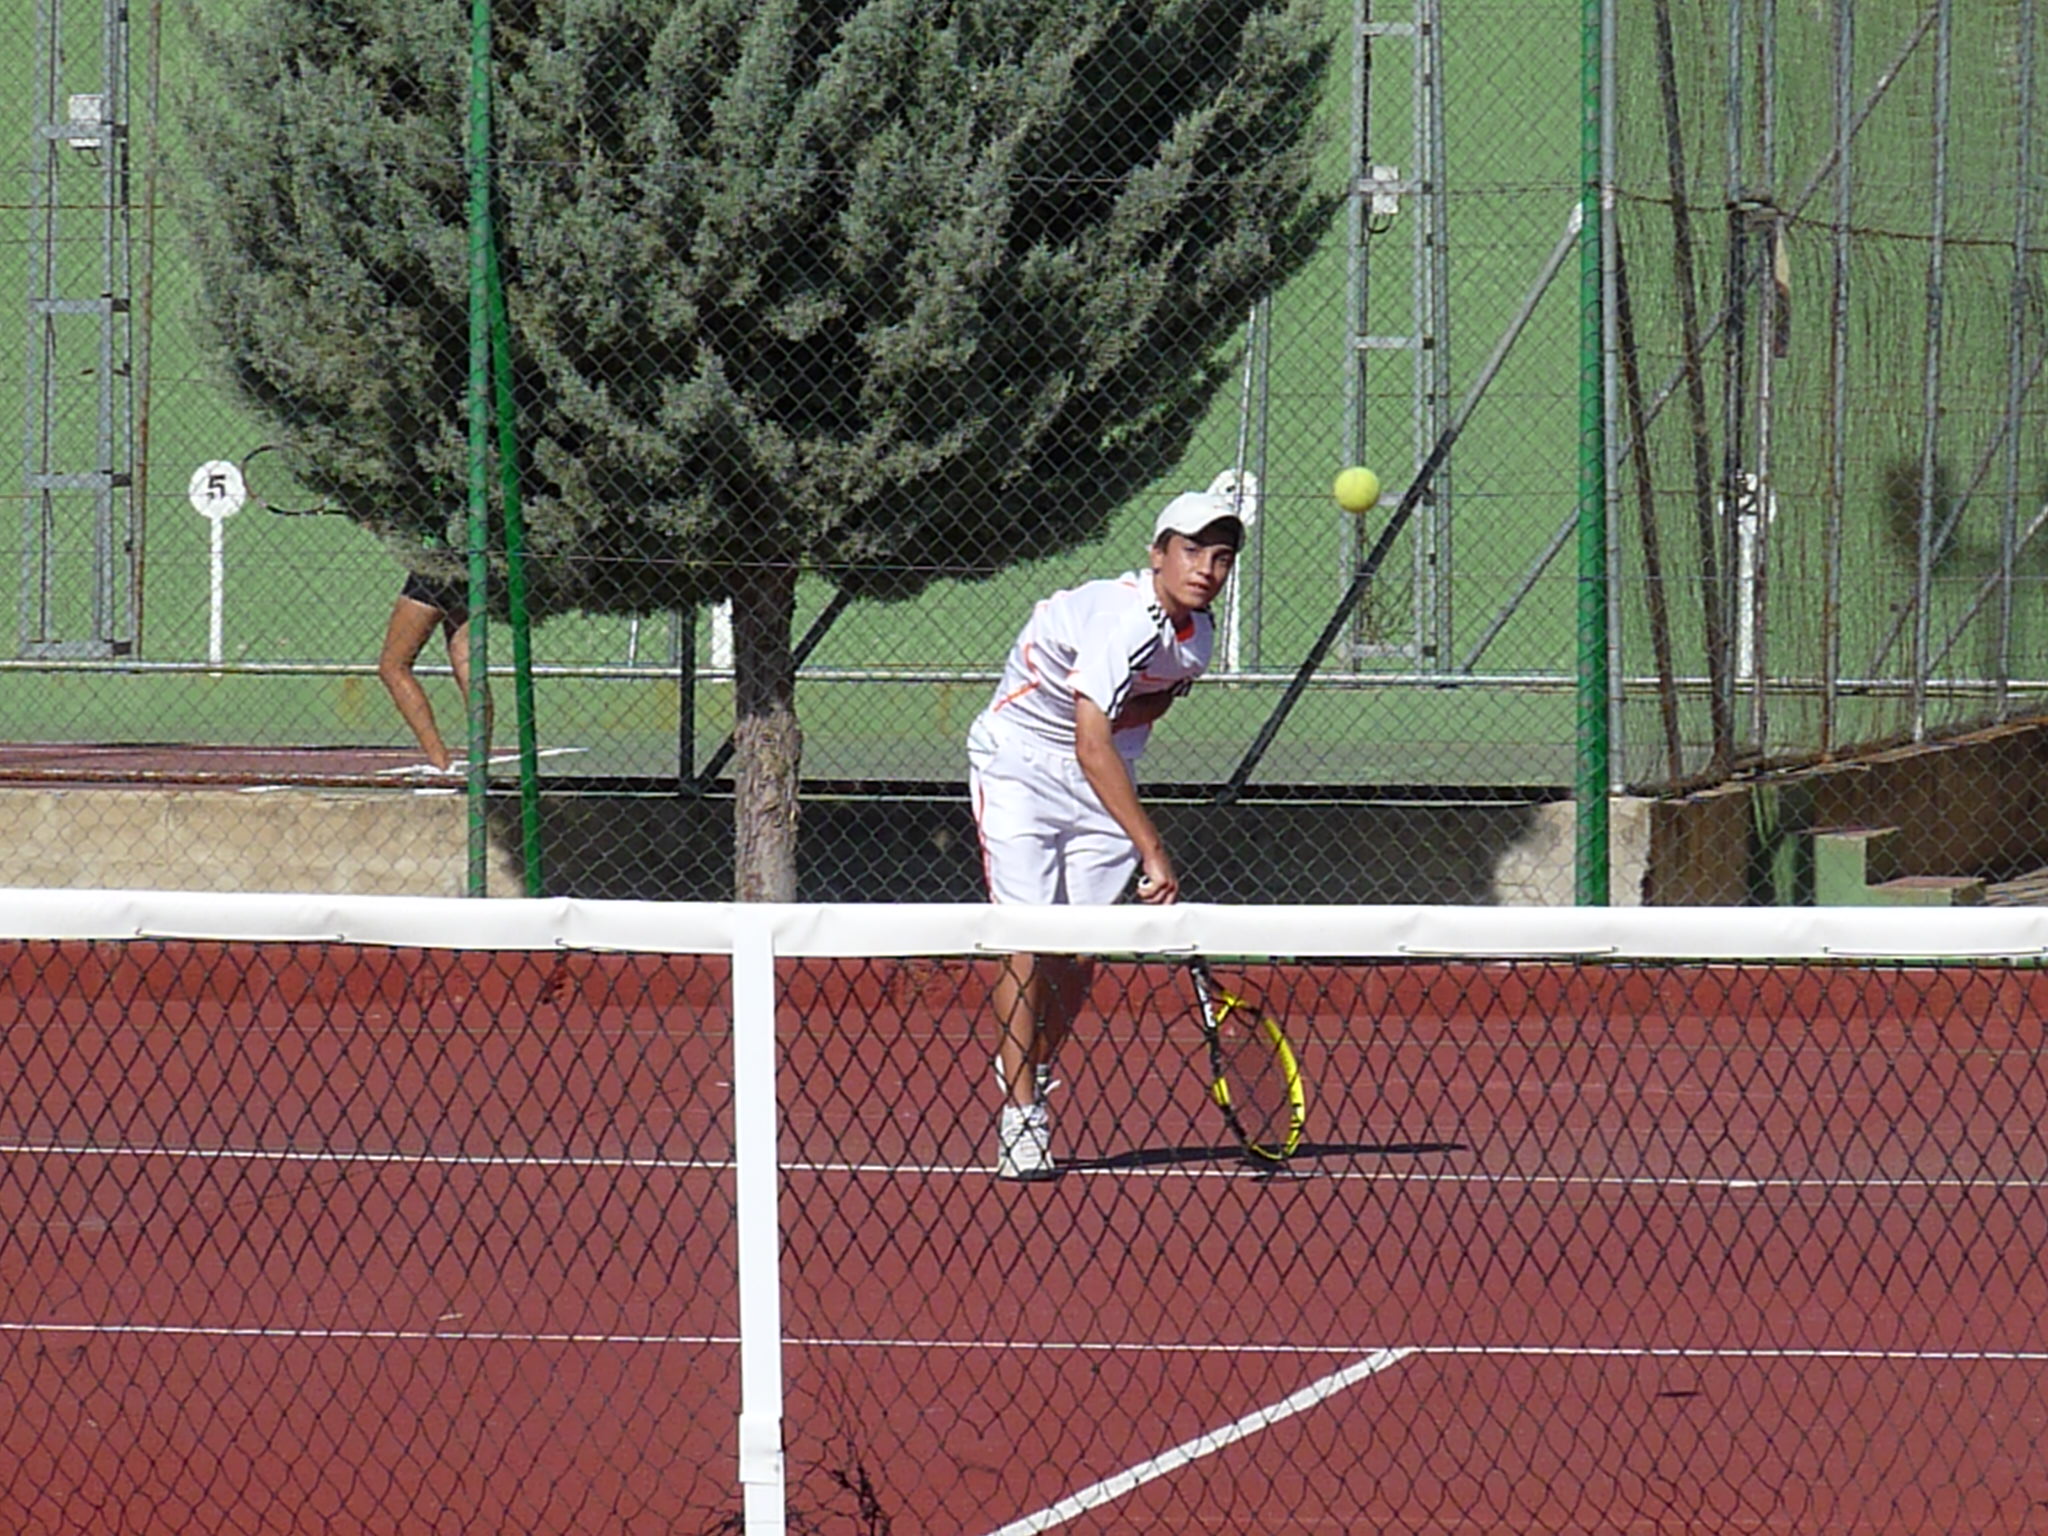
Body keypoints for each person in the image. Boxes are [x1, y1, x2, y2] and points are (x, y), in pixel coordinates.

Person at [967, 489, 1243, 1181]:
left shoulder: (1199, 639)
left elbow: (1142, 707)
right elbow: (1090, 742)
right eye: (1191, 551)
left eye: (1221, 557)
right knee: (1026, 932)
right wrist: (1153, 848)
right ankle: (1021, 1116)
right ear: (1156, 555)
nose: (1206, 569)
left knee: (1080, 948)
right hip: (1020, 761)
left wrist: (1121, 715)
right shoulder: (1121, 617)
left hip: (1102, 769)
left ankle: (1029, 1065)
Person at [378, 569, 489, 774]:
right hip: (473, 572)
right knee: (466, 662)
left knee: (393, 666)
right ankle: (480, 761)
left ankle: (440, 763)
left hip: (434, 574)